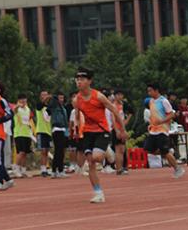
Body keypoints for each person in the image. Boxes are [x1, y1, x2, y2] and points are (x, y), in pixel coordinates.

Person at [74, 68, 129, 204]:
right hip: (87, 132)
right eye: (77, 80)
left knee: (97, 157)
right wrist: (76, 128)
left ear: (89, 81)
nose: (79, 82)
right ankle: (98, 193)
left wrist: (122, 129)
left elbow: (114, 110)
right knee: (91, 163)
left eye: (82, 79)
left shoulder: (98, 96)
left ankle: (106, 152)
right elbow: (76, 116)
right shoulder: (76, 100)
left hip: (101, 131)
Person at [144, 83, 185, 181]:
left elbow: (172, 114)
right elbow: (153, 115)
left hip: (162, 130)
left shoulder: (164, 101)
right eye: (148, 91)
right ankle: (168, 152)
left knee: (164, 151)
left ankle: (177, 168)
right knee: (148, 149)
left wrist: (162, 121)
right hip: (153, 130)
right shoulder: (151, 101)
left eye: (150, 90)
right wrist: (151, 124)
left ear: (156, 90)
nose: (149, 93)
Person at [12, 94, 36, 178]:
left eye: (25, 101)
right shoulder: (17, 109)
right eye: (21, 101)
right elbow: (14, 110)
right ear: (18, 101)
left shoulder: (28, 109)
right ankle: (15, 169)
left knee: (25, 153)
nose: (23, 102)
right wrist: (18, 105)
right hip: (19, 133)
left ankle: (23, 170)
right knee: (20, 152)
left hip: (27, 133)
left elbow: (29, 120)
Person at [48, 92, 70, 178]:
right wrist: (54, 97)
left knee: (61, 151)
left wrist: (67, 131)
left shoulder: (64, 109)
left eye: (62, 98)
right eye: (59, 98)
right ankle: (56, 170)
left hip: (63, 130)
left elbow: (65, 121)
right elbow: (50, 106)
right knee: (58, 151)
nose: (61, 99)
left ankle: (58, 170)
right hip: (56, 129)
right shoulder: (54, 107)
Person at [35, 91, 54, 178]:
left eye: (46, 95)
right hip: (41, 131)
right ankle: (43, 169)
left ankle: (46, 168)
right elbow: (40, 105)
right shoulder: (39, 106)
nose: (45, 97)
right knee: (43, 151)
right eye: (43, 95)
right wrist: (46, 99)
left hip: (48, 131)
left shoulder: (49, 107)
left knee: (47, 151)